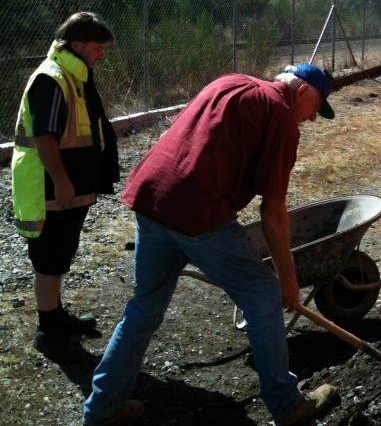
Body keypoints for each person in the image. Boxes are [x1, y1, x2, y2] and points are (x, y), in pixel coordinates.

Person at [82, 64, 340, 426]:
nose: (313, 118)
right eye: (316, 107)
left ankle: (102, 407)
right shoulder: (281, 117)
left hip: (153, 198)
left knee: (144, 306)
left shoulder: (231, 81)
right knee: (264, 295)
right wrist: (288, 278)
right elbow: (274, 210)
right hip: (198, 213)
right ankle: (287, 405)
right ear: (302, 92)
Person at [11, 12, 119, 363]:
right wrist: (61, 182)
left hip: (66, 189)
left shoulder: (75, 75)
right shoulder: (53, 78)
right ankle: (48, 329)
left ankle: (55, 316)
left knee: (59, 254)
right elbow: (44, 137)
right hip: (50, 190)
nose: (102, 54)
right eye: (97, 47)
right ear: (76, 45)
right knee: (48, 256)